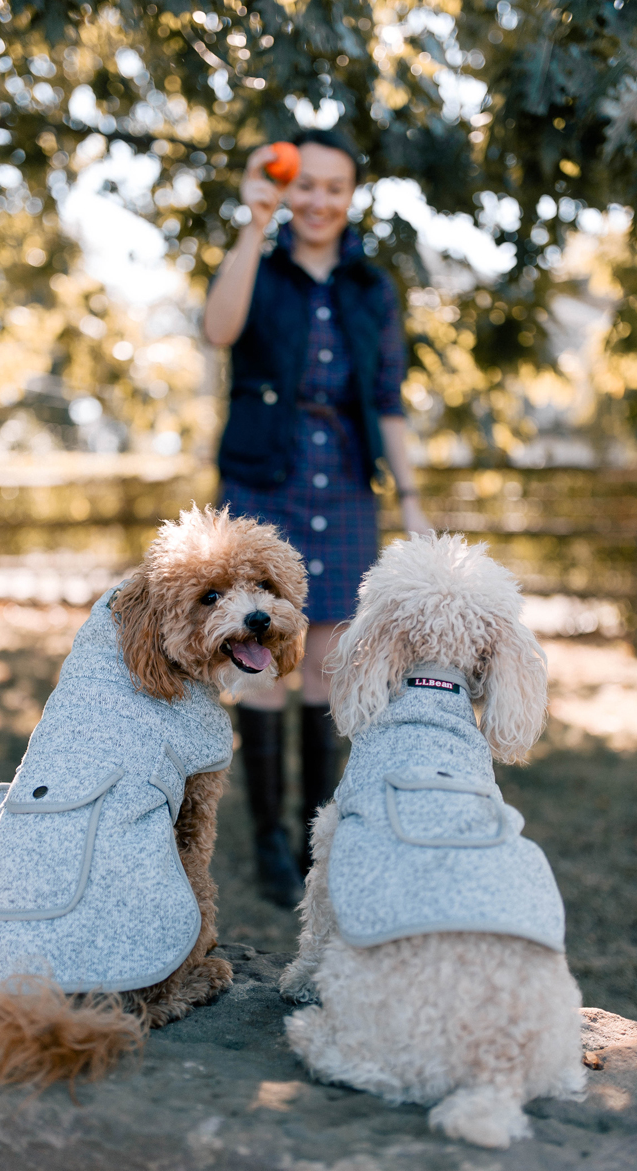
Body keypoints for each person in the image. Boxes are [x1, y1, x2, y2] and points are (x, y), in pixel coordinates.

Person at [203, 128, 430, 907]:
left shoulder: (371, 289)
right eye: (307, 185)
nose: (319, 200)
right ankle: (266, 842)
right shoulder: (259, 271)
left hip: (343, 490)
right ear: (286, 189)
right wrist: (251, 221)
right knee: (261, 663)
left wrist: (409, 497)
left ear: (352, 195)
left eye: (335, 187)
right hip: (264, 485)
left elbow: (389, 402)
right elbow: (218, 329)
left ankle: (311, 835)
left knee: (326, 672)